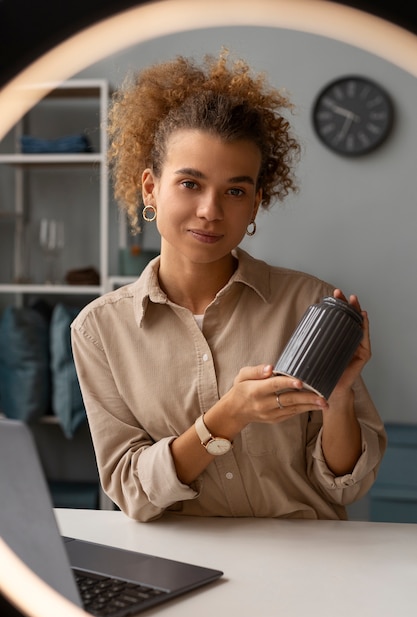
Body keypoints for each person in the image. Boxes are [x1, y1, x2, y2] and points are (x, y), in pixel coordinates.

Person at [71, 50, 386, 522]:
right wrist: (228, 416)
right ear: (150, 188)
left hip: (311, 563)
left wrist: (339, 395)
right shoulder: (100, 331)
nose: (210, 211)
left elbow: (344, 486)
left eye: (235, 191)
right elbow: (132, 491)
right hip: (183, 566)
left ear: (257, 202)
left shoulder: (308, 304)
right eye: (190, 184)